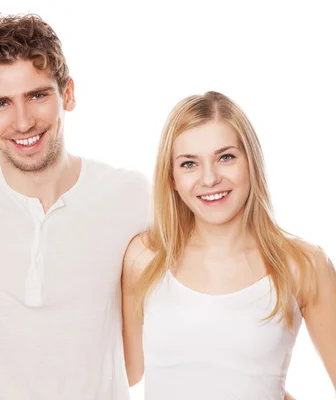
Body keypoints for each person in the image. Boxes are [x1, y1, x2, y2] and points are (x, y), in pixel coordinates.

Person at [0, 14, 150, 399]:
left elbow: (209, 283)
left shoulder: (131, 195)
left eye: (38, 95)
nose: (23, 122)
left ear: (68, 93)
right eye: (1, 104)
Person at [122, 91, 336, 399]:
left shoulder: (303, 265)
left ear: (251, 162)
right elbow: (126, 372)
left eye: (225, 157)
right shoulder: (145, 258)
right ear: (171, 178)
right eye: (189, 164)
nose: (209, 179)